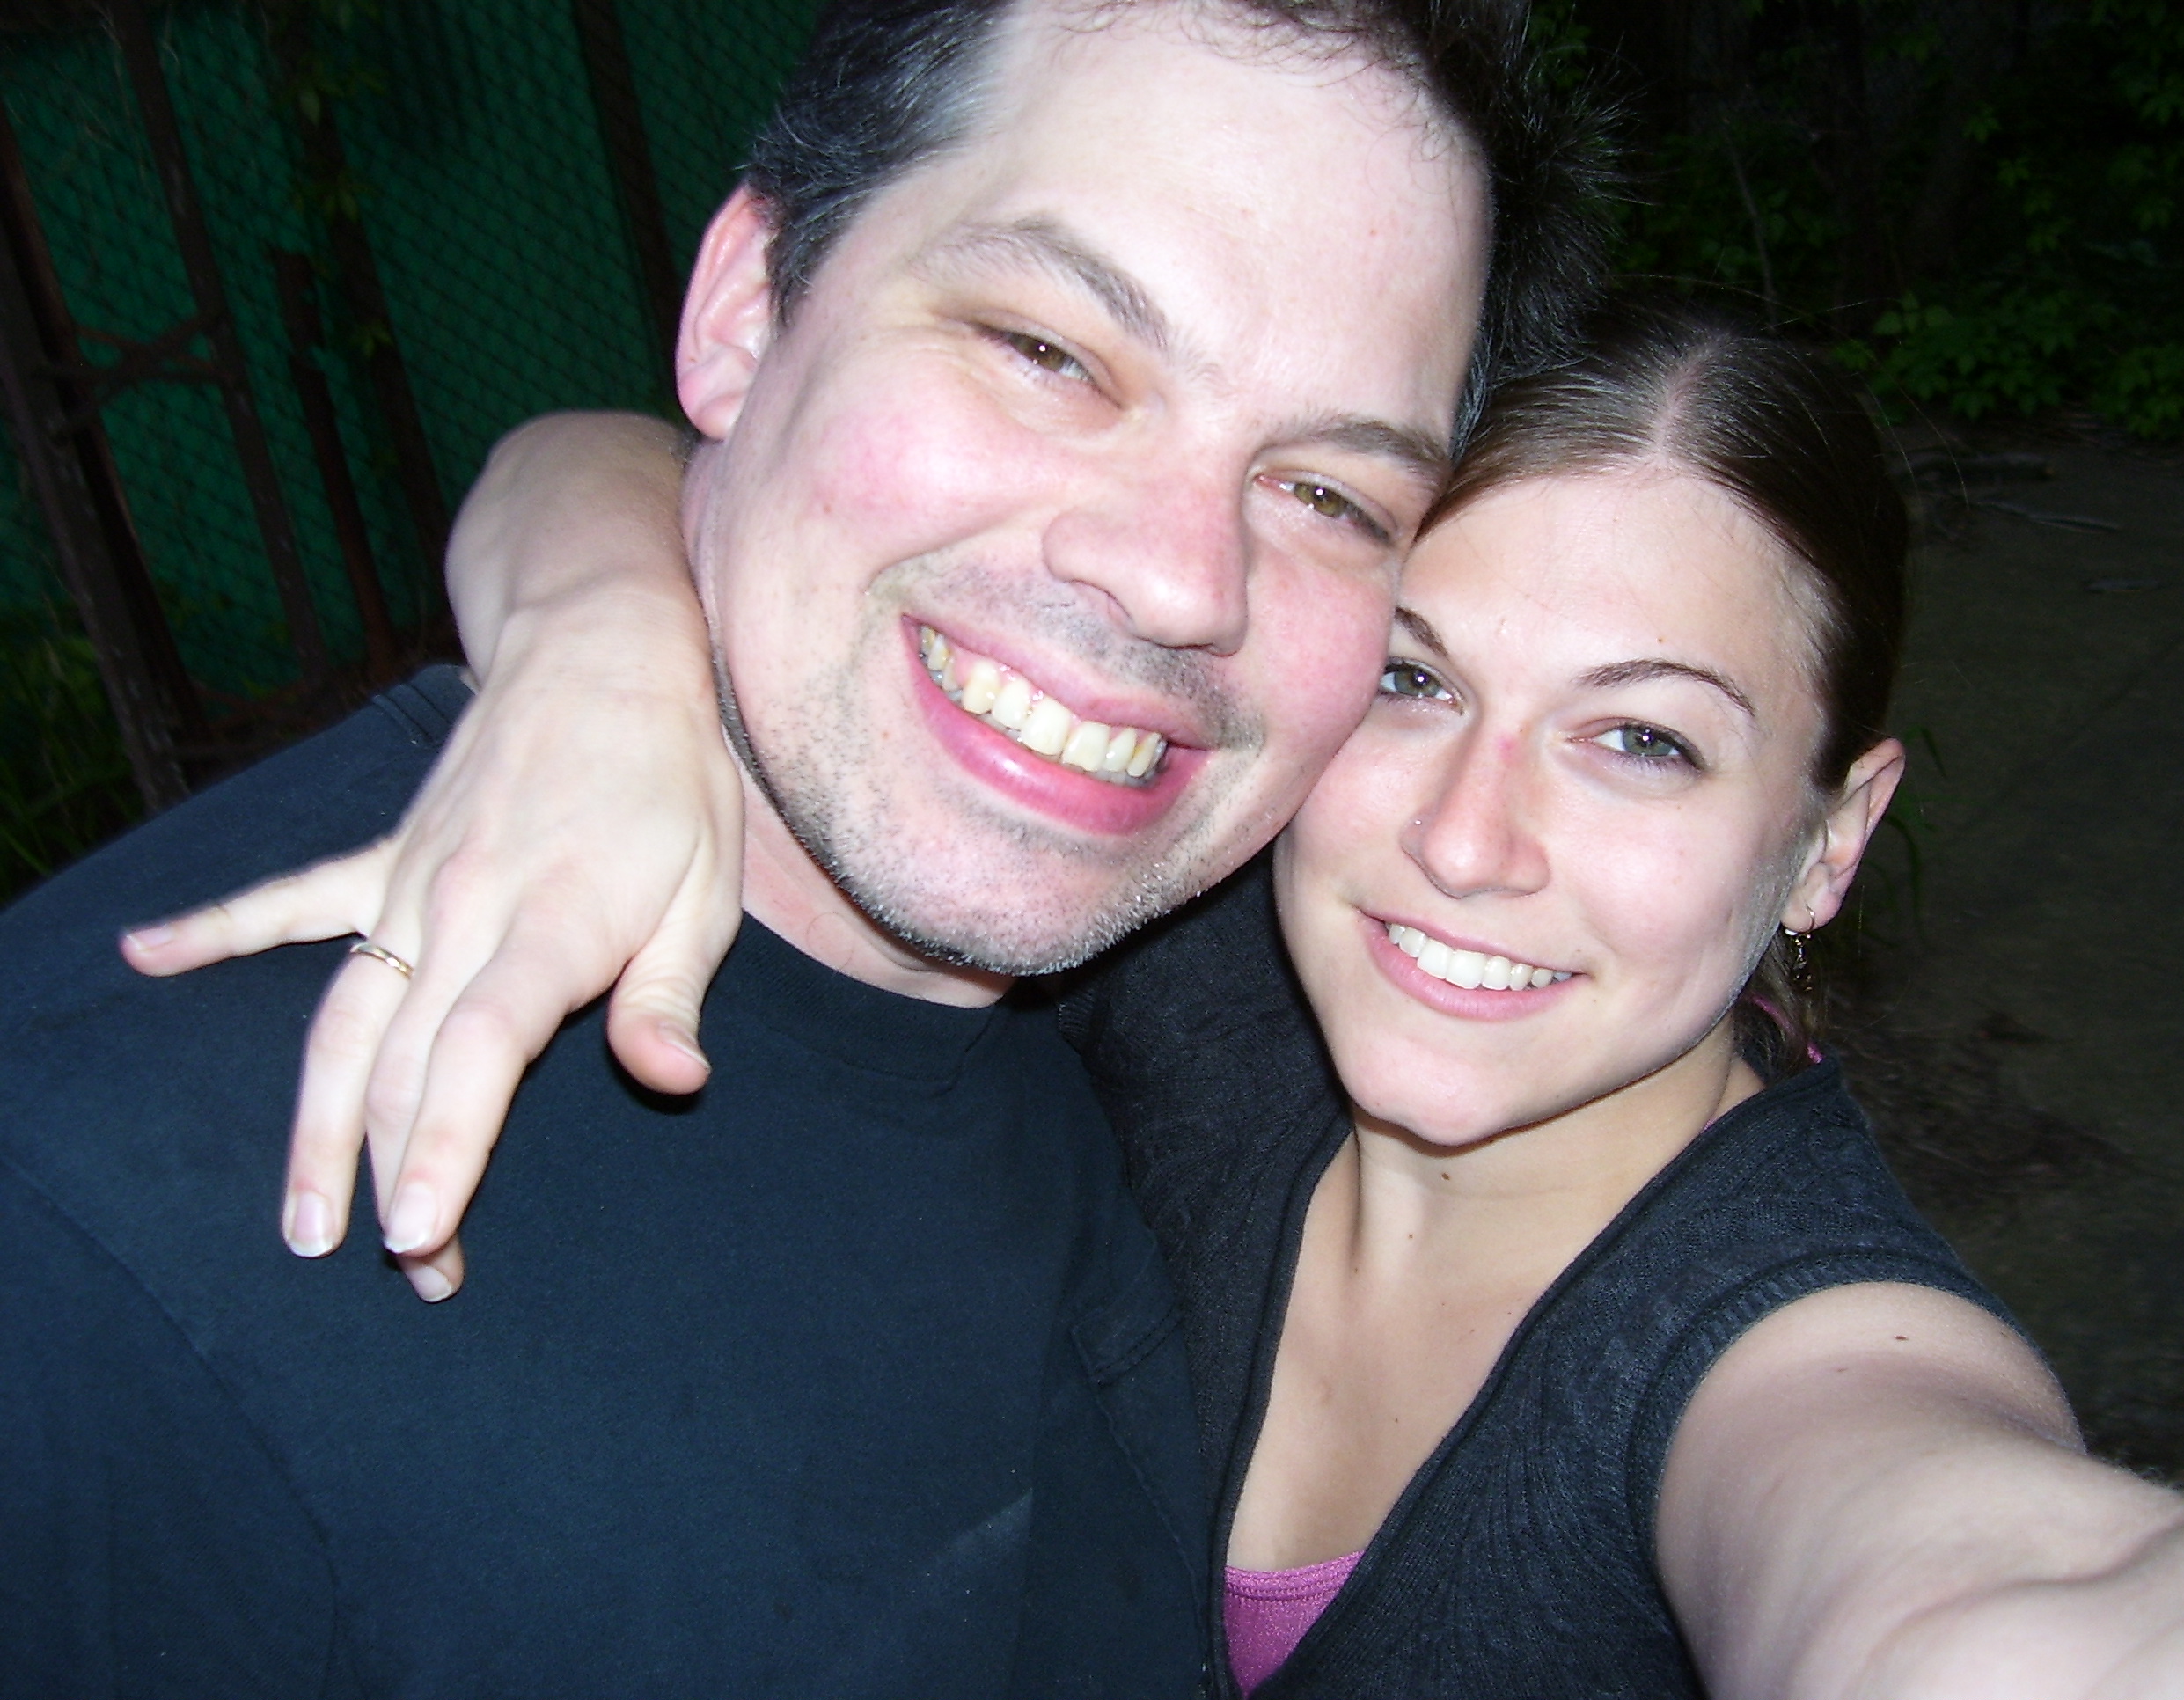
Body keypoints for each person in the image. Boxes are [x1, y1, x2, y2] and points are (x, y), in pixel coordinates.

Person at [153, 300, 2184, 1696]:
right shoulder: (1195, 963)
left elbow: (1999, 1601)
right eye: (1416, 683)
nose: (1465, 839)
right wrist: (604, 655)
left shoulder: (1792, 1354)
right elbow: (599, 448)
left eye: (1641, 742)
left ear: (1825, 833)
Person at [0, 0, 1611, 1689]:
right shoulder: (94, 1243)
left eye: (1332, 496)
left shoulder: (1239, 981)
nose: (1183, 580)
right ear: (744, 313)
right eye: (1052, 352)